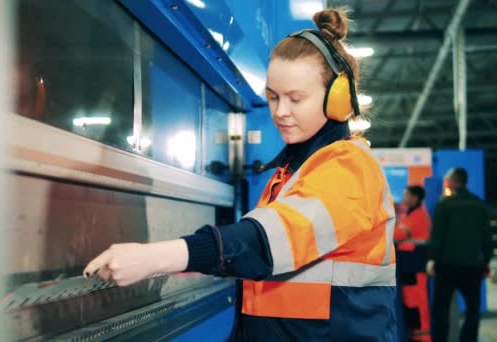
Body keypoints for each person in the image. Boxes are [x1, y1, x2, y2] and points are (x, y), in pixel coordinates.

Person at [83, 9, 397, 341]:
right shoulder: (292, 174)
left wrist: (155, 257)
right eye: (273, 97)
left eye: (296, 98)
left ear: (337, 98)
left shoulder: (350, 167)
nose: (280, 112)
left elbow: (261, 244)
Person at [428, 167, 493, 342]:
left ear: (454, 182)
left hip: (446, 266)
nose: (446, 182)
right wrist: (485, 261)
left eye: (448, 179)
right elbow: (487, 237)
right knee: (473, 309)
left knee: (441, 309)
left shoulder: (445, 204)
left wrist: (432, 259)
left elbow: (437, 235)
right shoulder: (480, 204)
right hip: (472, 266)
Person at [394, 185, 432, 341]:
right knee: (411, 303)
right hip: (409, 266)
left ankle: (423, 337)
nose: (403, 198)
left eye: (406, 195)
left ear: (415, 198)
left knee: (417, 303)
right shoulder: (411, 215)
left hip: (415, 266)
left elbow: (398, 234)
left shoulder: (418, 216)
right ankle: (417, 336)